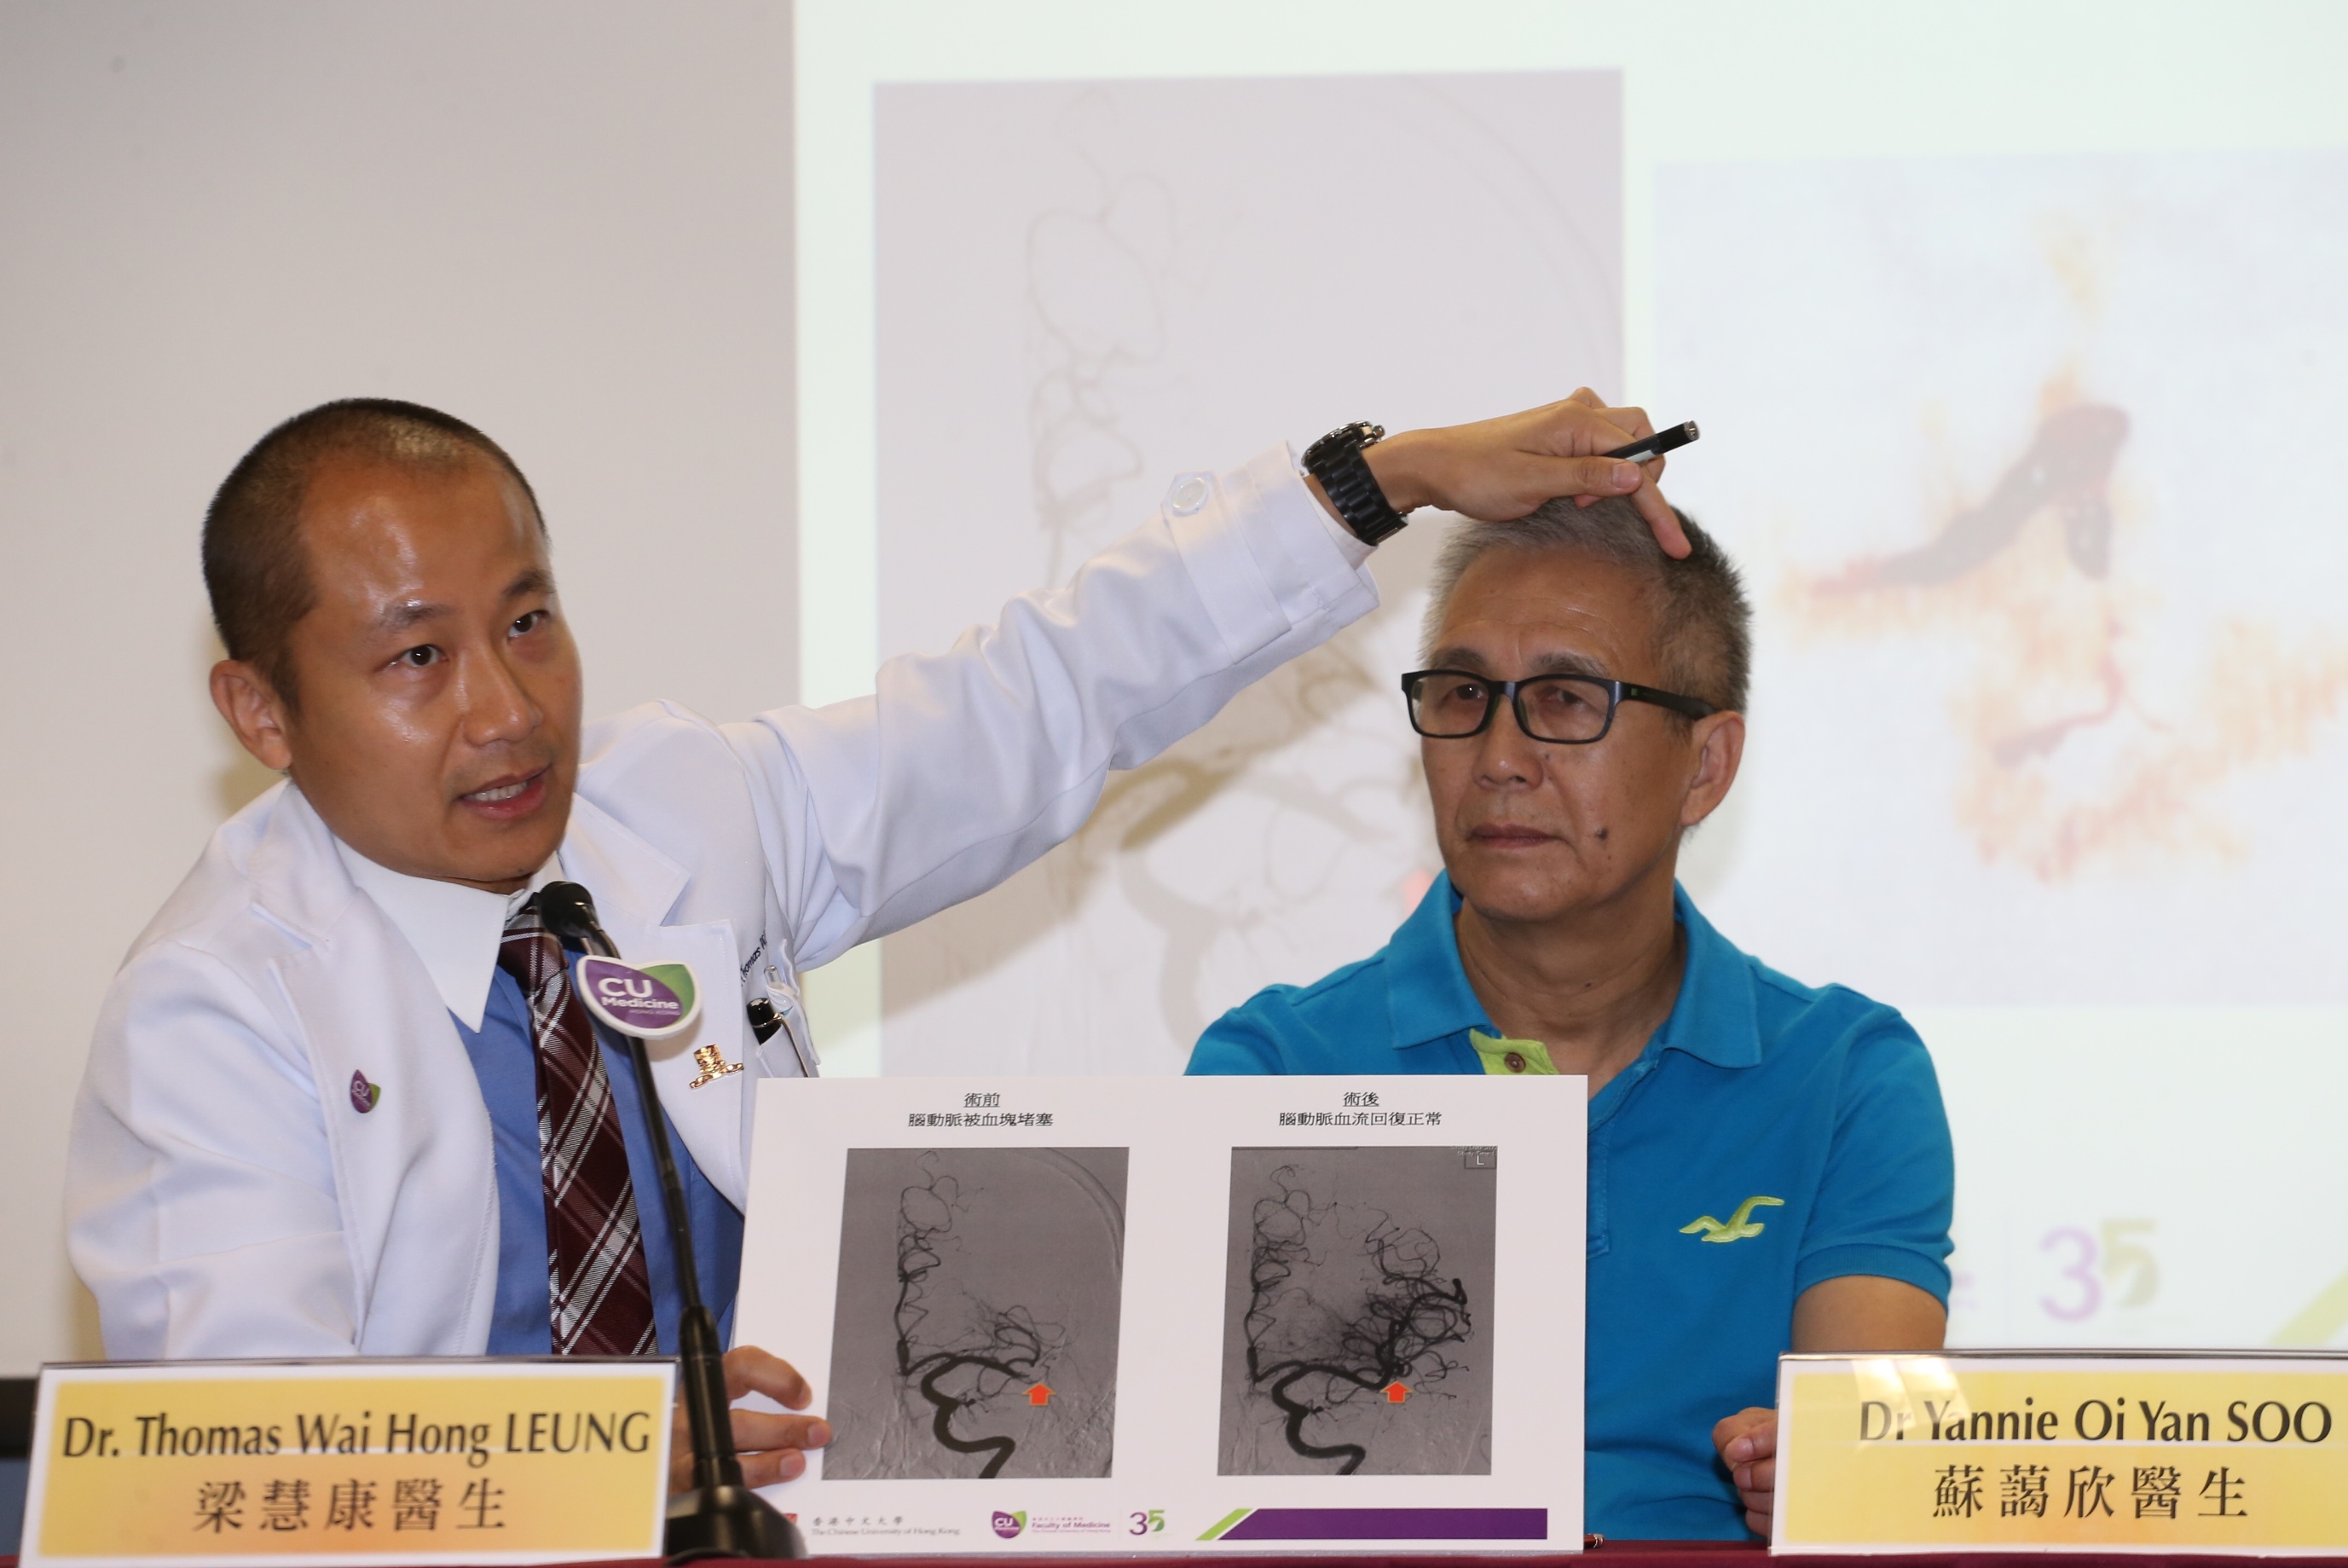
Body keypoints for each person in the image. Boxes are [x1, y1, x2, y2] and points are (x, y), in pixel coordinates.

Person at [67, 391, 1684, 1492]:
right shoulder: (211, 1010)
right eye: (417, 656)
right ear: (260, 710)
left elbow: (1030, 702)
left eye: (528, 619)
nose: (505, 707)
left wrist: (1371, 482)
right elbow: (243, 1462)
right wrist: (616, 1452)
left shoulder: (670, 804)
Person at [1187, 495, 1954, 1540]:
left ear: (1706, 766)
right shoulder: (1276, 1069)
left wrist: (1827, 1474)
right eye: (1462, 695)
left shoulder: (1845, 1076)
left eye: (1563, 700)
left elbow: (1873, 1464)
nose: (1498, 754)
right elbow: (1219, 1484)